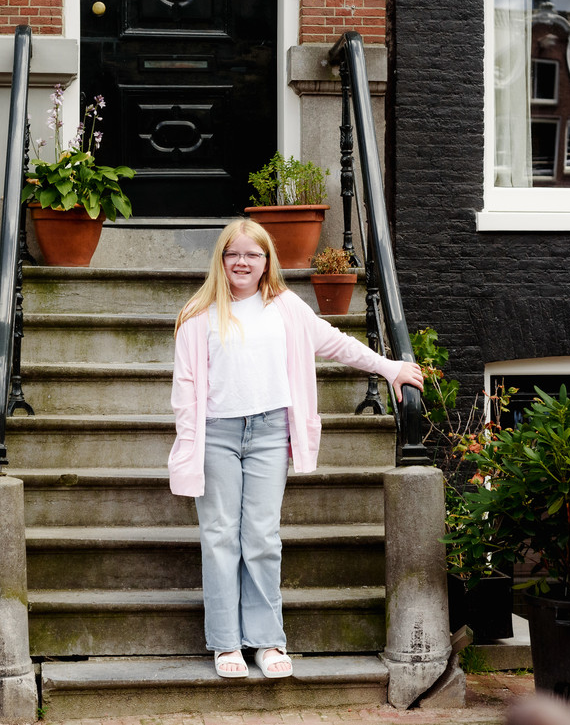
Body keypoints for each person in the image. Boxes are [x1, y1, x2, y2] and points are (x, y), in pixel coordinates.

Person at [168, 219, 425, 679]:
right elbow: (185, 391)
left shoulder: (287, 309)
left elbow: (337, 344)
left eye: (253, 254)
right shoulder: (198, 314)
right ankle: (226, 643)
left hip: (269, 433)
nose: (242, 262)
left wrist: (389, 367)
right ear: (221, 261)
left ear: (268, 261)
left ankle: (267, 641)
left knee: (262, 538)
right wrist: (189, 446)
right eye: (233, 254)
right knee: (221, 537)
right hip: (218, 436)